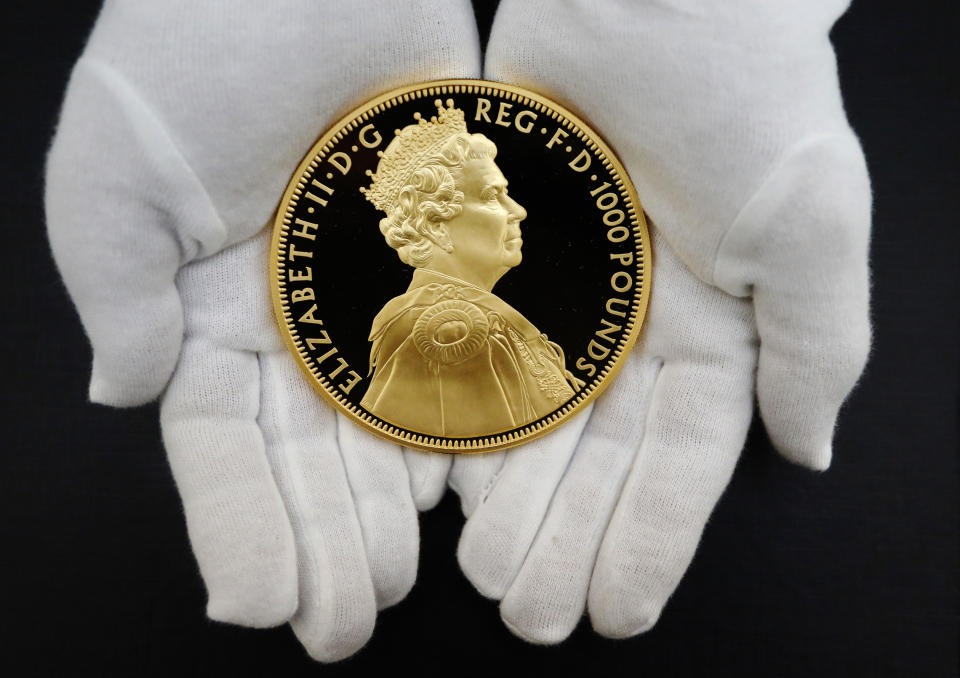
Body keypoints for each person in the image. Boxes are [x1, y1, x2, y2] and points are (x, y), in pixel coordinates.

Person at [359, 100, 582, 437]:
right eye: (493, 196)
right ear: (435, 225)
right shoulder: (451, 331)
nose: (517, 210)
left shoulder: (482, 322)